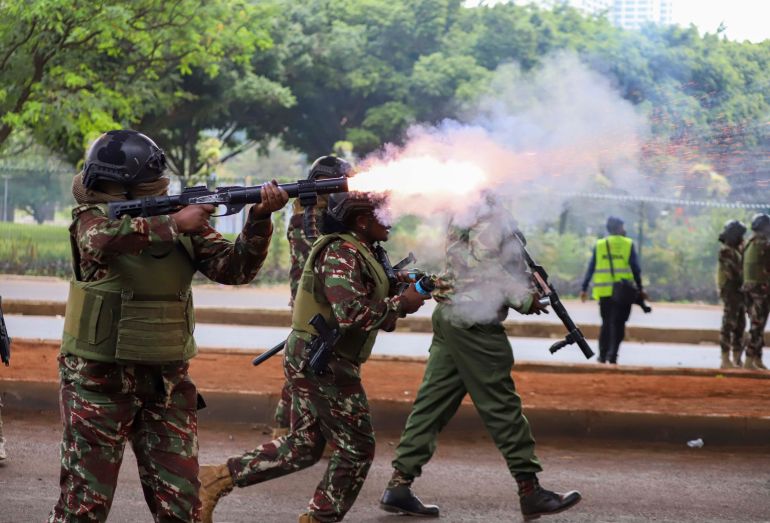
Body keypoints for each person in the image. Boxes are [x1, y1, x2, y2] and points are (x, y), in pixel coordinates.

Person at [48, 129, 289, 523]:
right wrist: (174, 223)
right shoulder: (92, 219)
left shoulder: (181, 223)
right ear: (120, 189)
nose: (158, 192)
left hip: (167, 385)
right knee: (82, 509)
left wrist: (259, 221)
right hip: (98, 385)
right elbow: (101, 242)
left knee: (182, 509)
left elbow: (236, 269)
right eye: (148, 187)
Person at [198, 192, 428, 523]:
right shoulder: (341, 252)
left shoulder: (362, 250)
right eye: (384, 214)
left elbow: (367, 303)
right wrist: (402, 303)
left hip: (320, 357)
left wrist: (401, 290)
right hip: (323, 361)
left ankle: (215, 478)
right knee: (356, 449)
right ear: (362, 222)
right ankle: (320, 518)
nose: (391, 219)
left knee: (304, 446)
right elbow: (351, 314)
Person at [379, 205, 581, 521]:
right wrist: (524, 298)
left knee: (431, 406)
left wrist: (527, 280)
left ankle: (399, 485)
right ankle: (530, 490)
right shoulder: (485, 213)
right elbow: (483, 266)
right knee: (502, 406)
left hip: (452, 315)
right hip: (474, 322)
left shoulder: (467, 206)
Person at [273, 156, 353, 440]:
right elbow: (325, 254)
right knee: (313, 364)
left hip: (310, 298)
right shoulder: (311, 219)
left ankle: (284, 424)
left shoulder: (311, 213)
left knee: (304, 362)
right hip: (312, 301)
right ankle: (301, 430)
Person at [580, 216, 645, 364]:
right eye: (622, 227)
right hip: (623, 292)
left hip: (604, 292)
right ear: (618, 228)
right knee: (619, 324)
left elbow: (591, 267)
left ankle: (602, 356)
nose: (624, 229)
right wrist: (640, 288)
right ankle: (613, 355)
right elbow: (636, 269)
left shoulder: (600, 244)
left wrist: (584, 288)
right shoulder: (628, 244)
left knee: (606, 323)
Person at [741, 213, 770, 371]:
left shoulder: (749, 243)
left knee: (756, 324)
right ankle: (749, 360)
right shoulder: (764, 244)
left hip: (748, 289)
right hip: (761, 289)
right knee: (757, 325)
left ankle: (756, 359)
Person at [717, 220, 747, 369]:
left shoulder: (736, 250)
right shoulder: (726, 251)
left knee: (740, 324)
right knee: (729, 324)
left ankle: (736, 357)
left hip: (738, 291)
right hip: (731, 291)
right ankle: (725, 358)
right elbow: (735, 273)